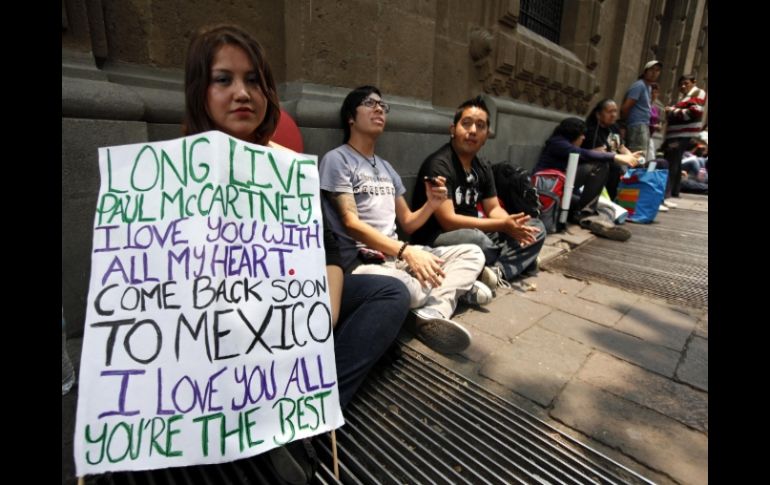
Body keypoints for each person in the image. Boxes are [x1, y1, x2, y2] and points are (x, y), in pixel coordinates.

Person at [183, 25, 410, 484]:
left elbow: (328, 247)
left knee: (389, 294)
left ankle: (312, 414)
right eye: (223, 79)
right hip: (224, 326)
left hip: (296, 305)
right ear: (200, 92)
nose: (242, 94)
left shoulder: (287, 169)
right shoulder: (170, 172)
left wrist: (325, 309)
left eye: (255, 81)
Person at [319, 85, 490, 356]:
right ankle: (451, 291)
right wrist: (405, 251)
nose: (378, 109)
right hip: (365, 264)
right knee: (403, 286)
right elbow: (351, 223)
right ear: (351, 117)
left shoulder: (386, 168)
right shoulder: (337, 160)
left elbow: (409, 223)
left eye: (382, 106)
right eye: (369, 103)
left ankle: (431, 311)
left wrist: (432, 204)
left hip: (398, 257)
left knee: (472, 253)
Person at [410, 96, 545, 286]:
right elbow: (448, 222)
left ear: (486, 135)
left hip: (477, 229)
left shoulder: (482, 166)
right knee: (476, 239)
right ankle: (517, 261)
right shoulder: (439, 165)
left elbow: (493, 209)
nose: (473, 130)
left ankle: (498, 269)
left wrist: (512, 226)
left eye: (480, 126)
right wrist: (502, 226)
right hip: (438, 237)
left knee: (536, 226)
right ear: (453, 130)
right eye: (466, 124)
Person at [533, 117, 641, 241]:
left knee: (606, 208)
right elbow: (584, 154)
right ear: (573, 135)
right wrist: (615, 157)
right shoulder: (557, 143)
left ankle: (595, 222)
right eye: (582, 135)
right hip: (552, 191)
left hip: (565, 191)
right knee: (599, 165)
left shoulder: (566, 145)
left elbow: (584, 154)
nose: (584, 138)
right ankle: (588, 217)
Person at [663, 74, 707, 207]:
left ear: (694, 82)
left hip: (681, 134)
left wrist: (672, 110)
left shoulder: (698, 93)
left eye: (686, 83)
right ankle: (674, 191)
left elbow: (694, 112)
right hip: (678, 134)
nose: (683, 86)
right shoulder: (688, 96)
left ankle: (667, 193)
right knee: (675, 161)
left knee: (672, 162)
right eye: (681, 84)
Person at [621, 60, 662, 157]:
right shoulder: (639, 85)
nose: (654, 73)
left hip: (643, 125)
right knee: (638, 156)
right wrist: (623, 124)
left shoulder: (648, 87)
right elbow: (626, 107)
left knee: (642, 156)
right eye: (651, 70)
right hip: (637, 125)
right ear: (645, 71)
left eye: (657, 70)